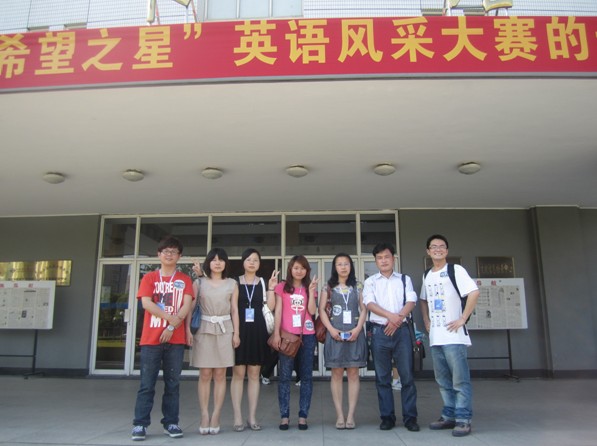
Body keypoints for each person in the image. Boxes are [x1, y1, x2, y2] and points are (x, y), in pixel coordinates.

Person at [131, 236, 194, 441]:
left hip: (175, 341)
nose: (169, 254)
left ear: (179, 256)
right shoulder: (149, 278)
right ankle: (140, 424)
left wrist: (172, 327)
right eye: (165, 251)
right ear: (159, 254)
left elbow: (186, 306)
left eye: (173, 251)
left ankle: (171, 422)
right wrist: (169, 320)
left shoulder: (184, 279)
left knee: (173, 384)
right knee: (146, 384)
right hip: (151, 340)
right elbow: (146, 304)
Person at [419, 234, 480, 437]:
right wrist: (426, 320)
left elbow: (473, 292)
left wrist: (463, 318)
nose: (437, 249)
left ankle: (463, 419)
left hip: (454, 336)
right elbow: (423, 299)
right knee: (443, 380)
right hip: (436, 337)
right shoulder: (427, 275)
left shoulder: (456, 270)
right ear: (428, 251)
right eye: (433, 246)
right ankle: (449, 415)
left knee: (460, 380)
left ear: (446, 250)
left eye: (441, 246)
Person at [363, 242, 420, 432]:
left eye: (386, 257)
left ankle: (410, 418)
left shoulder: (404, 279)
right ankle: (387, 417)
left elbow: (411, 300)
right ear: (375, 261)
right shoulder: (371, 281)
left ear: (393, 258)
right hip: (379, 332)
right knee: (382, 378)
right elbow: (369, 303)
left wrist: (397, 319)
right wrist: (391, 317)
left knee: (407, 376)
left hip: (401, 331)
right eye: (379, 258)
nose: (383, 260)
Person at [187, 248, 239, 435]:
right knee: (205, 374)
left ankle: (216, 415)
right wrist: (187, 331)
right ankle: (204, 415)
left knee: (220, 374)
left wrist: (236, 333)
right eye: (214, 259)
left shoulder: (232, 283)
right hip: (204, 329)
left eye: (221, 260)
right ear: (208, 263)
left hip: (225, 329)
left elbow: (234, 310)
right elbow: (191, 308)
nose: (217, 263)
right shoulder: (199, 283)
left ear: (226, 263)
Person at [230, 248, 277, 432]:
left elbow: (270, 307)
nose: (252, 262)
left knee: (254, 375)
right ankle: (237, 417)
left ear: (259, 263)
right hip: (240, 330)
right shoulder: (235, 282)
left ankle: (252, 417)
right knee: (238, 374)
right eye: (248, 259)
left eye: (255, 260)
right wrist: (235, 333)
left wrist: (272, 287)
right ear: (243, 262)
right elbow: (233, 308)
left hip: (258, 331)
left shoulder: (263, 282)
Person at [319, 253, 367, 430]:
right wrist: (331, 330)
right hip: (335, 334)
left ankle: (351, 415)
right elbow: (321, 310)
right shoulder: (328, 287)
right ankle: (339, 415)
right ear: (334, 267)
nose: (343, 267)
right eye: (339, 264)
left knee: (353, 373)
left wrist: (358, 329)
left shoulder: (358, 286)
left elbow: (364, 309)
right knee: (336, 374)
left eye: (346, 263)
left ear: (351, 266)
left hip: (354, 333)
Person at [270, 255, 318, 431]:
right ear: (290, 269)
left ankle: (303, 416)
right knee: (284, 376)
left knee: (306, 377)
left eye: (303, 268)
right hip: (287, 336)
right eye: (296, 267)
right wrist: (276, 334)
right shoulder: (282, 287)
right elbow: (277, 311)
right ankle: (284, 416)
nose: (299, 271)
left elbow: (312, 311)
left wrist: (311, 292)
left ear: (307, 270)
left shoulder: (309, 287)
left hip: (307, 335)